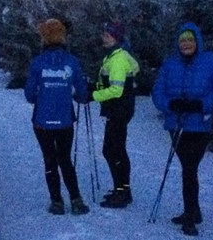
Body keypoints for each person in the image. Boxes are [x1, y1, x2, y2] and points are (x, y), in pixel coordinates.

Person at [151, 22, 213, 235]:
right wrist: (171, 104)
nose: (186, 44)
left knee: (189, 168)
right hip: (176, 123)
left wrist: (201, 104)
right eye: (182, 40)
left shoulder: (211, 61)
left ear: (197, 41)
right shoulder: (170, 64)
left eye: (190, 39)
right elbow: (157, 92)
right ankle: (193, 211)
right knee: (188, 167)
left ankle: (190, 214)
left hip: (199, 125)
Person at [24, 18, 91, 215]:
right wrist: (80, 96)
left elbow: (29, 93)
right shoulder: (71, 61)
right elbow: (81, 90)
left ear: (44, 38)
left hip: (42, 120)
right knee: (65, 158)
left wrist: (41, 98)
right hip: (64, 120)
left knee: (49, 160)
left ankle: (56, 201)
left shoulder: (37, 63)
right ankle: (76, 199)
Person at [91, 21, 140, 209]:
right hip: (118, 110)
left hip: (119, 109)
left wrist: (93, 95)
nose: (104, 37)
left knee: (113, 151)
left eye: (108, 35)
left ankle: (122, 191)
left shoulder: (118, 58)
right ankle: (121, 189)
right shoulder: (113, 56)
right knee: (114, 150)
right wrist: (93, 87)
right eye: (104, 34)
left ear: (116, 38)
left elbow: (116, 90)